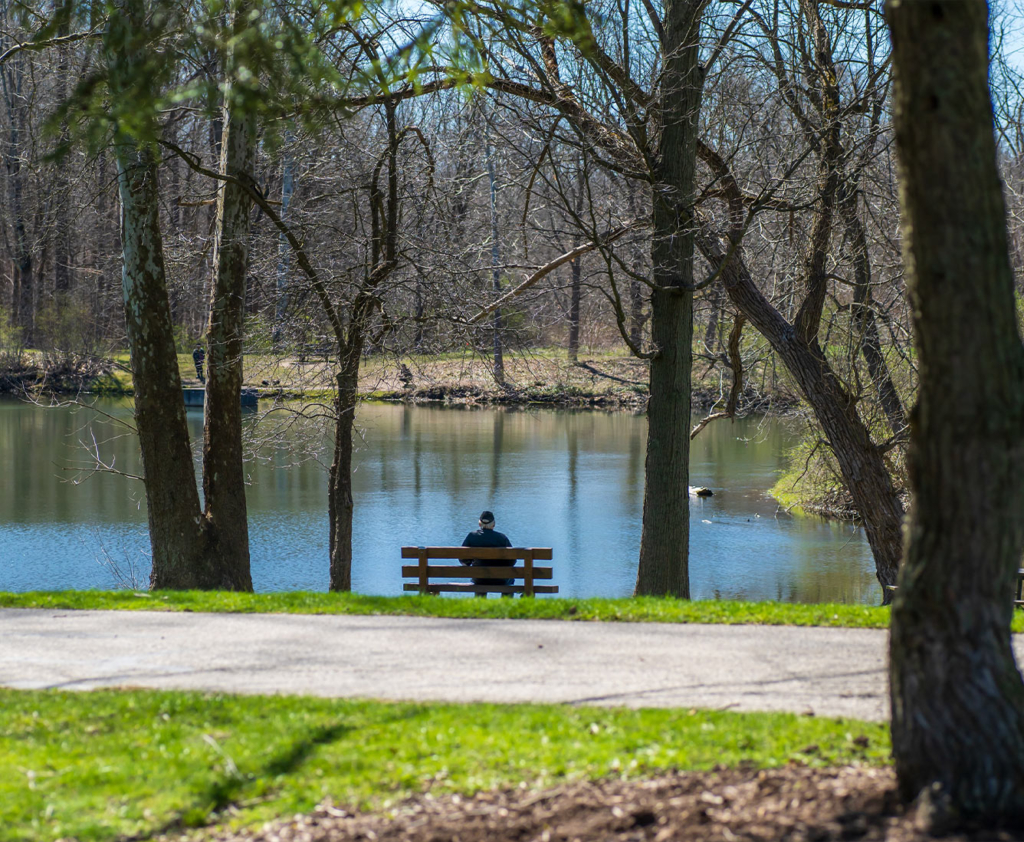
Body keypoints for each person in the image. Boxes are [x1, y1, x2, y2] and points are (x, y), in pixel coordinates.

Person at [462, 510, 514, 587]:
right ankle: (506, 598)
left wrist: (469, 563)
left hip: (478, 579)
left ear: (479, 523)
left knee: (479, 577)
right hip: (499, 579)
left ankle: (480, 598)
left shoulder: (472, 536)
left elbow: (463, 558)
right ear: (494, 524)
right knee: (511, 578)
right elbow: (512, 561)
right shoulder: (502, 538)